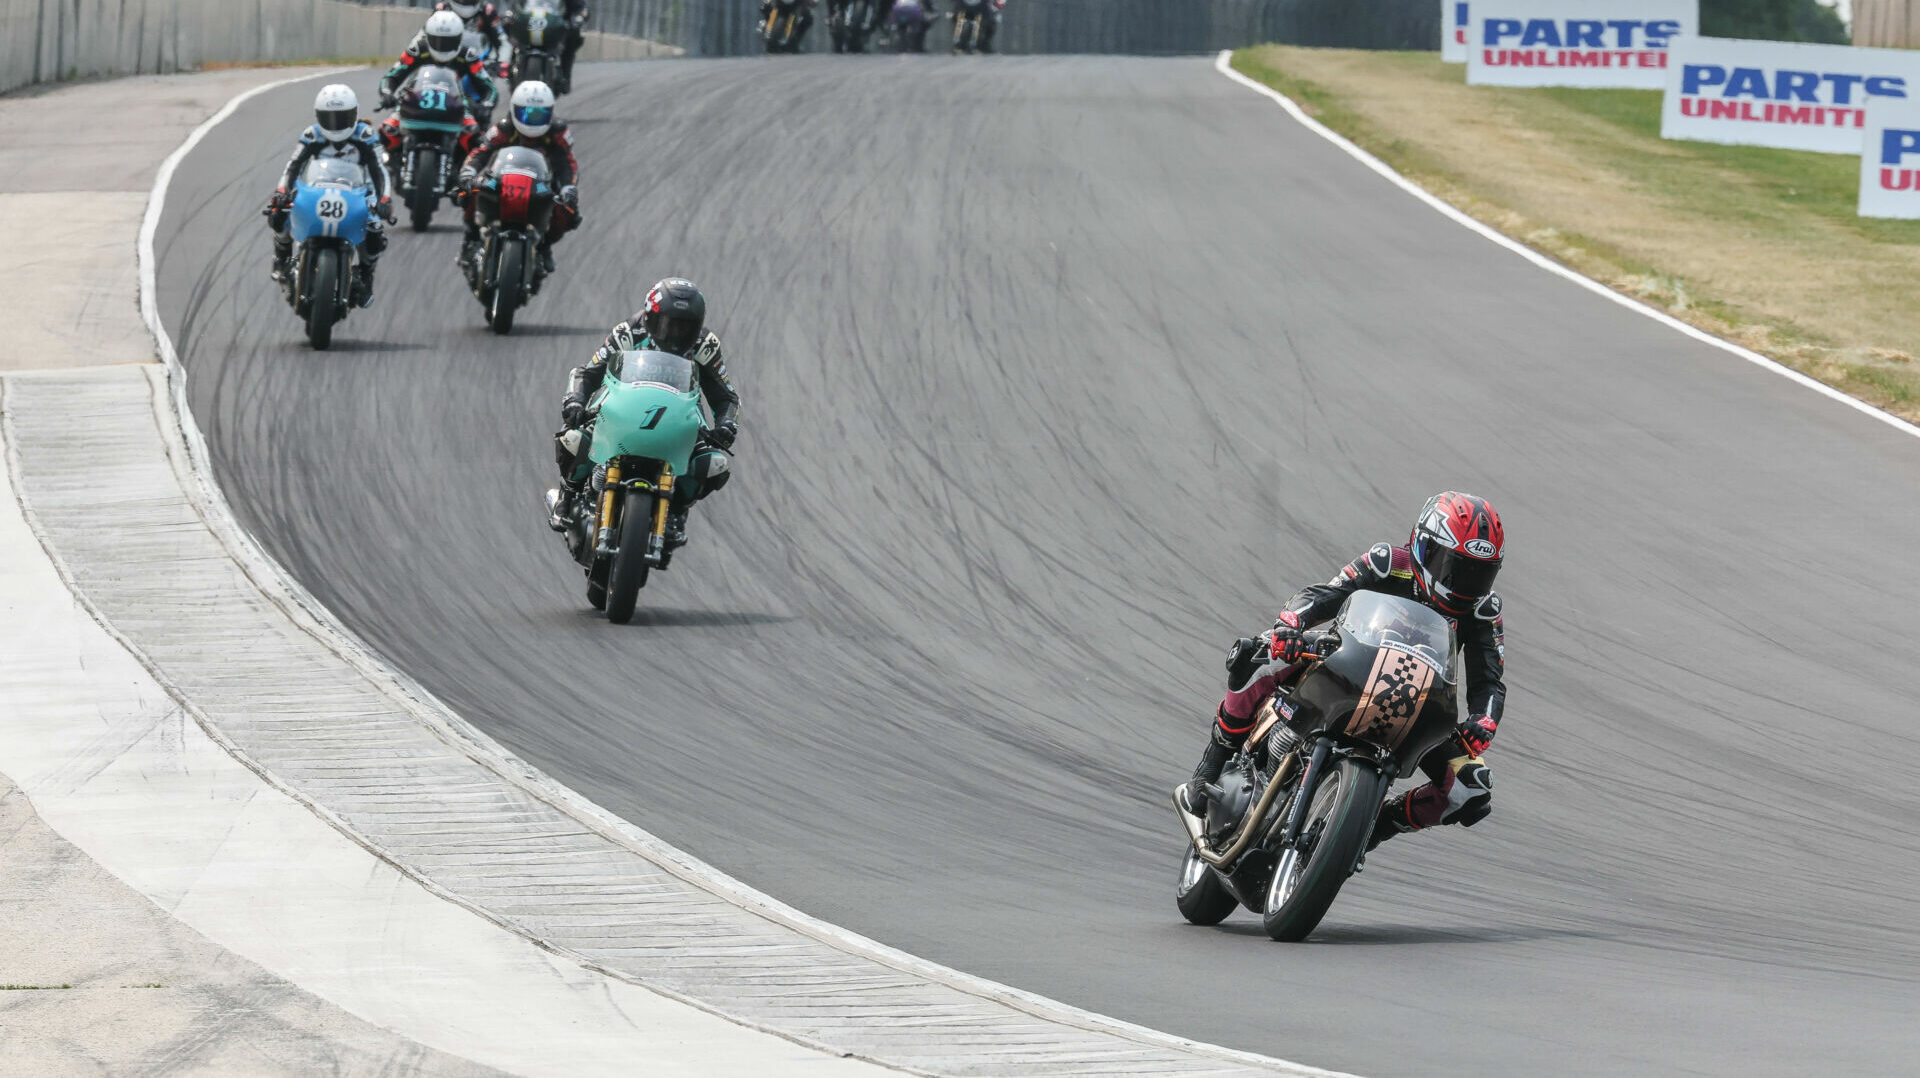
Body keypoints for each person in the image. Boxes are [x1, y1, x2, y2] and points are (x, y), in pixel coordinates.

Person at [1179, 492, 1507, 850]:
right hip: (1349, 663)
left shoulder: (1483, 611)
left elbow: (1488, 679)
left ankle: (1376, 826)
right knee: (1260, 652)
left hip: (1417, 700)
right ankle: (1213, 762)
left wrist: (1483, 722)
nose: (1465, 584)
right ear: (1424, 548)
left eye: (1479, 575)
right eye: (1455, 567)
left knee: (1472, 786)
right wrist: (1290, 624)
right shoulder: (1387, 562)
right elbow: (1326, 594)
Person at [547, 279, 740, 546]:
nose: (676, 333)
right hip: (621, 407)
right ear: (650, 318)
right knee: (575, 438)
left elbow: (725, 396)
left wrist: (727, 423)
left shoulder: (705, 344)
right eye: (669, 324)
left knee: (713, 464)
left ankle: (676, 511)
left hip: (679, 417)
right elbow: (586, 372)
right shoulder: (628, 332)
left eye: (685, 327)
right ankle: (568, 496)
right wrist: (575, 401)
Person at [263, 84, 394, 308]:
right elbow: (292, 166)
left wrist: (384, 199)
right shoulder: (311, 135)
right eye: (329, 118)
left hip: (358, 191)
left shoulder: (366, 136)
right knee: (278, 213)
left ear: (353, 114)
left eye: (342, 118)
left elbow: (380, 171)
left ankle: (365, 273)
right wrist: (281, 192)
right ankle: (282, 258)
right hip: (316, 189)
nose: (336, 125)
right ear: (318, 116)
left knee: (375, 232)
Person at [452, 80, 578, 274]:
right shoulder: (504, 128)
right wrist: (467, 175)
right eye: (526, 113)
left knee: (567, 211)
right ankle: (470, 237)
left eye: (539, 114)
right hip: (502, 181)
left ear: (550, 112)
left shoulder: (558, 132)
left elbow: (567, 164)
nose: (532, 119)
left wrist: (569, 188)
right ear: (514, 110)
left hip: (542, 186)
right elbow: (481, 152)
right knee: (473, 190)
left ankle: (544, 247)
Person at [376, 9, 497, 158]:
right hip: (414, 102)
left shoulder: (468, 56)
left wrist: (486, 105)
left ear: (459, 38)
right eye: (437, 40)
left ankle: (464, 172)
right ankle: (388, 167)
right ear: (428, 36)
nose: (442, 46)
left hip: (456, 106)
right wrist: (387, 93)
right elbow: (392, 76)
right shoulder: (417, 50)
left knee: (475, 138)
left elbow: (489, 87)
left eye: (449, 41)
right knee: (386, 133)